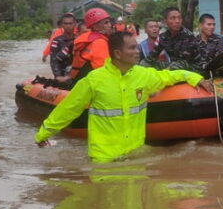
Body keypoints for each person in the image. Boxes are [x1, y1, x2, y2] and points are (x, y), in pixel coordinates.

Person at [35, 31, 213, 163]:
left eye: (137, 47)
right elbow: (68, 109)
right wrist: (42, 135)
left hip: (135, 155)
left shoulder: (143, 75)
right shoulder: (94, 80)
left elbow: (171, 76)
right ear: (118, 54)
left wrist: (196, 78)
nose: (138, 52)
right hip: (103, 158)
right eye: (132, 48)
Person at [67, 8, 114, 83]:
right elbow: (104, 70)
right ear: (95, 27)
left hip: (78, 79)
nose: (110, 25)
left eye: (109, 22)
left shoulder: (86, 38)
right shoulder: (99, 42)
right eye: (106, 23)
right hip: (90, 83)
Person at [50, 13, 77, 82]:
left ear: (75, 24)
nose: (68, 26)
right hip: (63, 73)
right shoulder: (57, 41)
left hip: (77, 71)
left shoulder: (79, 39)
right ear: (62, 25)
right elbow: (54, 60)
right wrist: (58, 76)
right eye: (66, 23)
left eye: (71, 23)